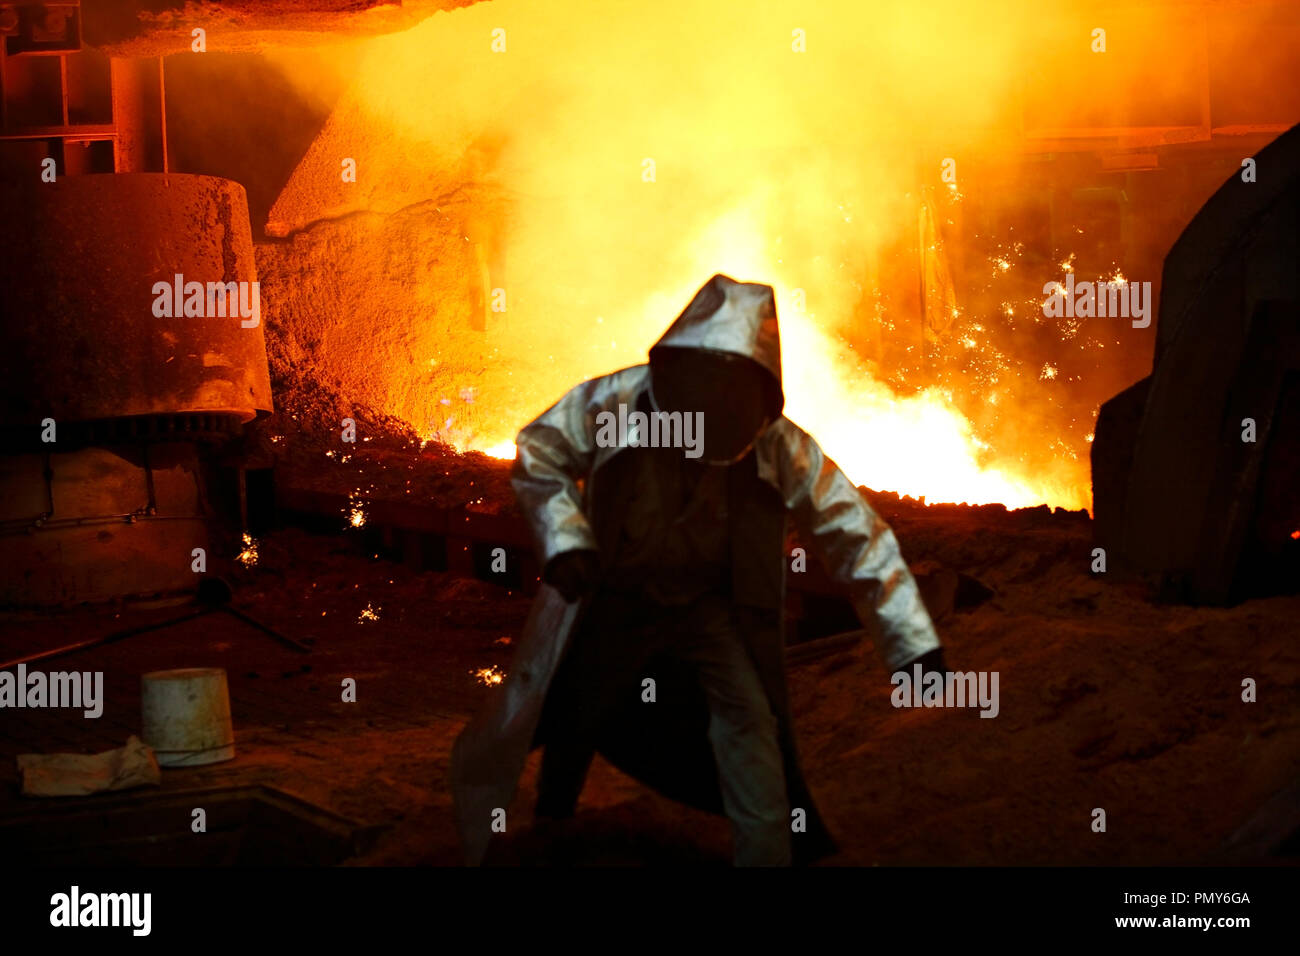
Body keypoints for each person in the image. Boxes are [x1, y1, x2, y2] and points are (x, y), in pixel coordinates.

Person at [451, 273, 945, 866]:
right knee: (578, 703)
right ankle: (554, 819)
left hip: (708, 608)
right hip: (615, 595)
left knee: (750, 722)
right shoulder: (618, 403)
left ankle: (765, 854)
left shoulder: (775, 444)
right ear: (675, 379)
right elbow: (542, 447)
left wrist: (912, 643)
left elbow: (856, 535)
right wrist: (566, 541)